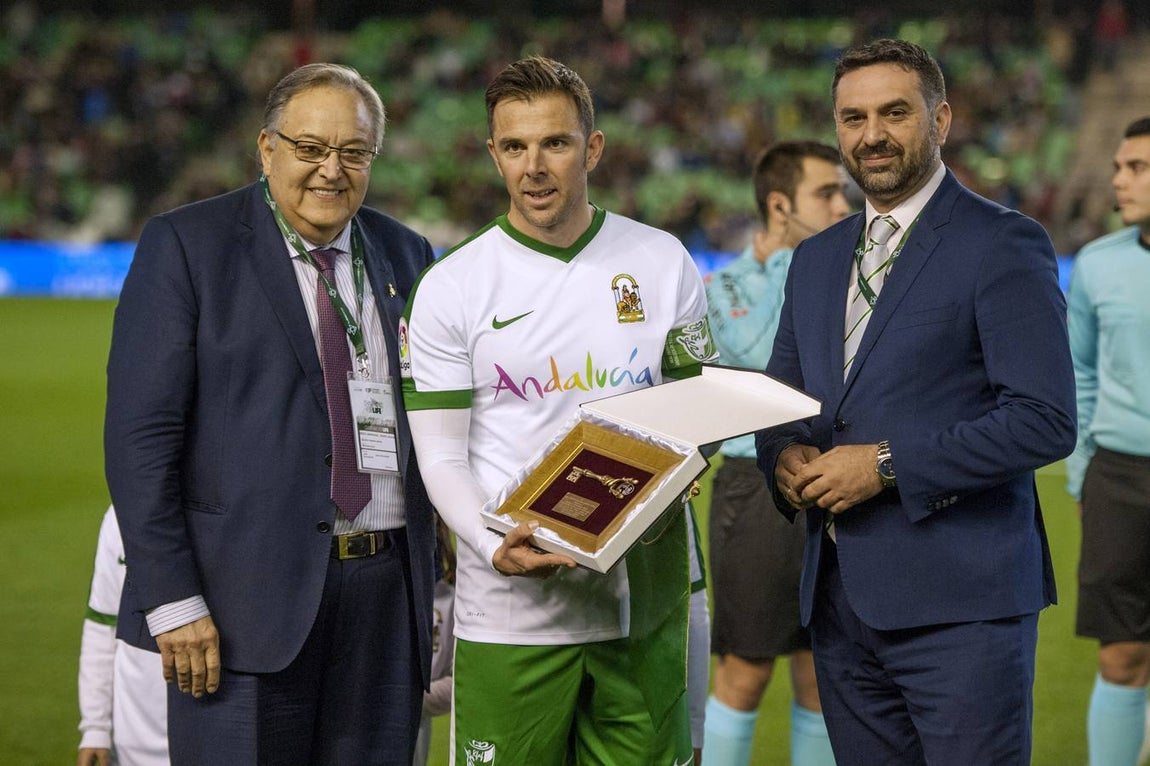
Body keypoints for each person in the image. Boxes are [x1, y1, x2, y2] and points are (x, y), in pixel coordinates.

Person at [104, 63, 438, 765]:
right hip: (238, 607)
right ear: (266, 148)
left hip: (383, 605)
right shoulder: (188, 245)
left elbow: (430, 425)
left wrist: (435, 582)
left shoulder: (407, 255)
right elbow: (140, 438)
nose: (331, 170)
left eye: (353, 152)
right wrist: (172, 599)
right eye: (311, 148)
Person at [755, 39, 1076, 765]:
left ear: (940, 119)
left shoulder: (1004, 243)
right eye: (853, 117)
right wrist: (784, 457)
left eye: (894, 113)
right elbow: (784, 403)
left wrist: (887, 464)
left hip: (962, 610)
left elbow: (1044, 418)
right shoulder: (815, 258)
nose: (872, 135)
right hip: (838, 606)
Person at [400, 55, 717, 766]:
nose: (534, 166)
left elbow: (698, 409)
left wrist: (693, 457)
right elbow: (442, 458)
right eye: (514, 147)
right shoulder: (452, 288)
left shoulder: (663, 262)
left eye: (556, 143)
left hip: (644, 610)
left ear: (593, 148)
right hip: (511, 613)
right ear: (493, 154)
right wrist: (491, 546)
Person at [702, 141, 849, 766]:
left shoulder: (851, 274)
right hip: (751, 485)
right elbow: (768, 358)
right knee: (747, 667)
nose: (845, 204)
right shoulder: (721, 286)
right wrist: (799, 265)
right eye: (828, 193)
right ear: (780, 205)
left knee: (821, 669)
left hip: (831, 477)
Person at [1067, 115, 1150, 766]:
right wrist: (1083, 475)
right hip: (1120, 478)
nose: (1119, 180)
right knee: (1121, 654)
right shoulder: (1096, 264)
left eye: (1137, 168)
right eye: (1120, 166)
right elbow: (1083, 376)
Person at [77, 505, 169, 766]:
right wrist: (95, 727)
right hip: (130, 744)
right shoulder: (120, 517)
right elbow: (102, 627)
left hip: (212, 738)